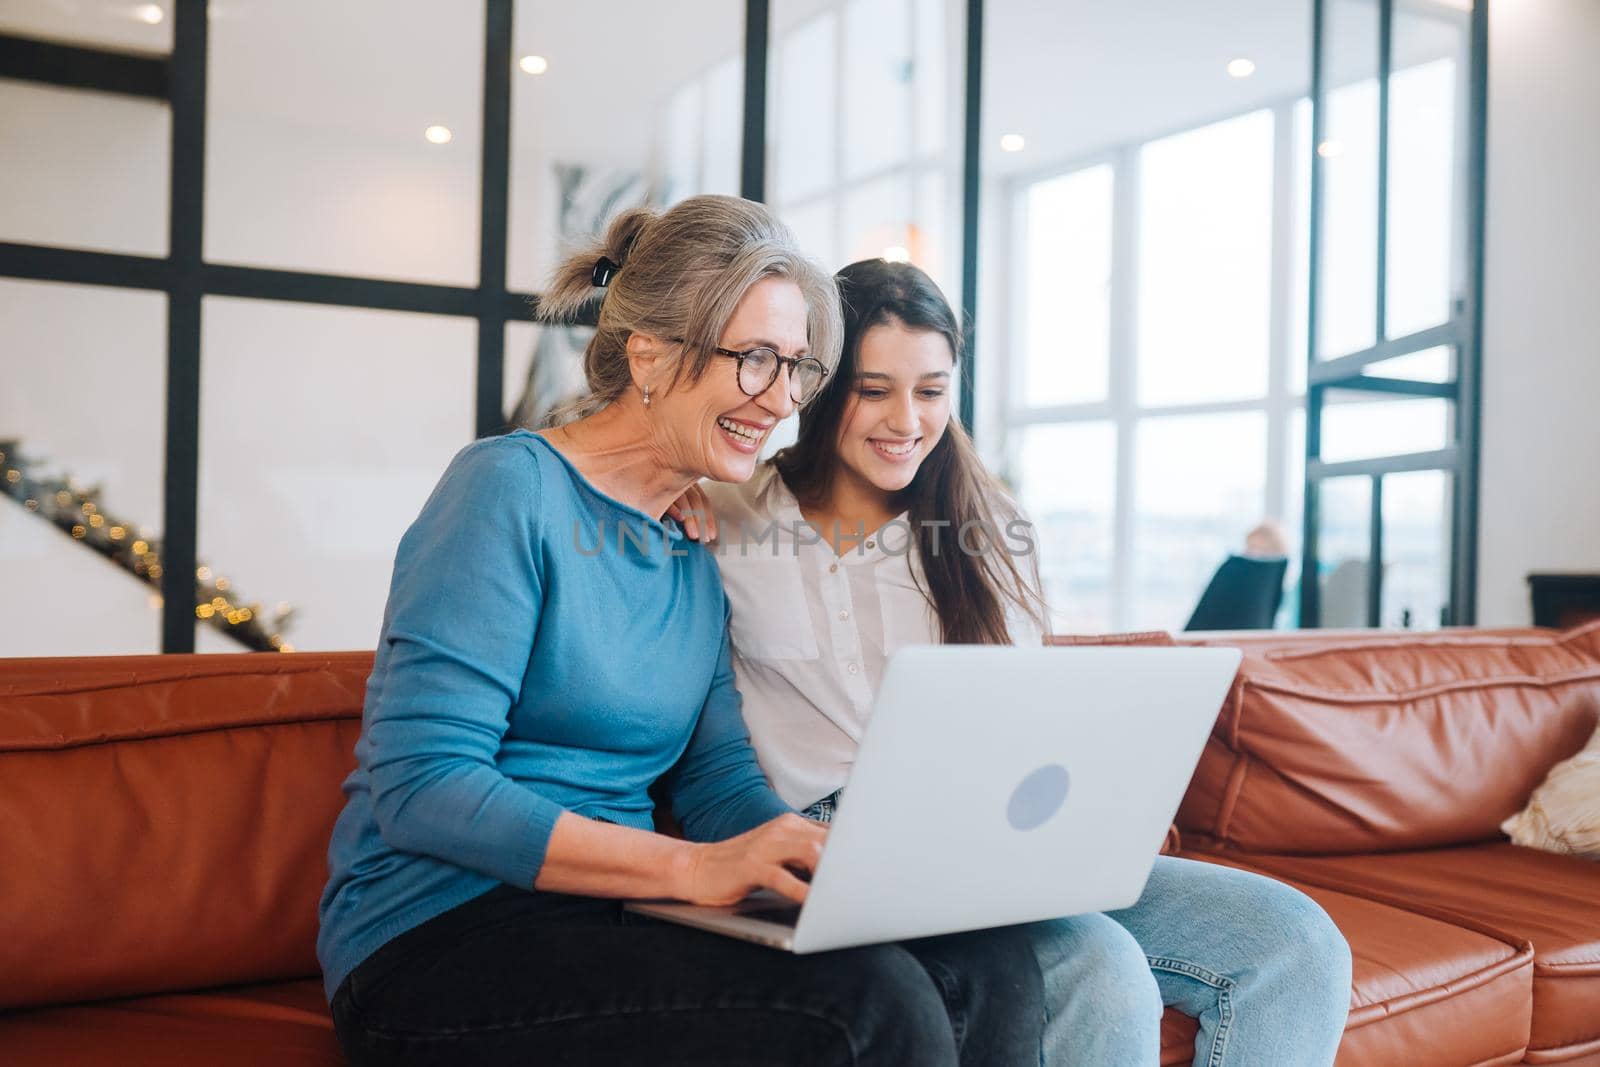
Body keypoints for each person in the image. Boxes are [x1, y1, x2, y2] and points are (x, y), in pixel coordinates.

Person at [316, 197, 1046, 1067]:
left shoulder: (689, 542)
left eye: (798, 369)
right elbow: (423, 783)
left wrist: (830, 865)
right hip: (440, 937)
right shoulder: (508, 489)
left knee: (988, 960)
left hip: (614, 917)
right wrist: (693, 870)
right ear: (652, 357)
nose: (782, 402)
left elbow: (716, 778)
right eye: (756, 361)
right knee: (869, 1006)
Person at [679, 258, 1354, 1066]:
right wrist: (668, 487)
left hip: (984, 831)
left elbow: (1033, 723)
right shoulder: (724, 513)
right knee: (1103, 973)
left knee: (1297, 944)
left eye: (931, 390)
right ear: (819, 385)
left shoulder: (989, 526)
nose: (906, 419)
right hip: (826, 841)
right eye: (874, 388)